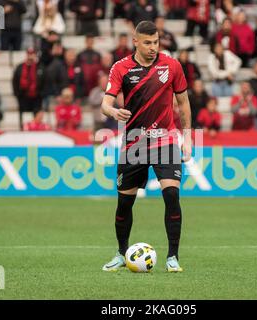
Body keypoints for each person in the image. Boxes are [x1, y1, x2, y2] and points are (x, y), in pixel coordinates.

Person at [100, 21, 191, 273]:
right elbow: (105, 103)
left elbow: (183, 103)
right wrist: (113, 110)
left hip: (166, 139)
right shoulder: (121, 67)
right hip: (134, 143)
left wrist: (188, 138)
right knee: (124, 203)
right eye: (148, 43)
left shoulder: (172, 66)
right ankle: (121, 253)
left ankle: (173, 257)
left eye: (156, 42)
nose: (153, 48)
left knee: (171, 195)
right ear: (136, 41)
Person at [12, 48, 45, 130]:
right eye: (29, 54)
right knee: (23, 114)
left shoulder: (40, 67)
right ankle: (23, 128)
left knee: (37, 112)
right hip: (23, 96)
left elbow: (45, 81)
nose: (30, 56)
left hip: (37, 96)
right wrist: (17, 94)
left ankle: (37, 128)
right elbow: (15, 81)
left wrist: (41, 93)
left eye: (32, 54)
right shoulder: (20, 67)